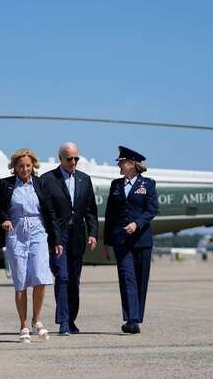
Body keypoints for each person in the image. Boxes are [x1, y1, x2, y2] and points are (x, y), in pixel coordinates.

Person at [0, 148, 63, 343]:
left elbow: (50, 213)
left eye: (28, 166)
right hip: (16, 233)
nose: (25, 170)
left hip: (38, 231)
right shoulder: (5, 184)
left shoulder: (40, 184)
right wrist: (4, 219)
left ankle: (37, 320)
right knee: (21, 280)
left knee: (41, 277)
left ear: (33, 166)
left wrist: (56, 240)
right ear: (14, 167)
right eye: (21, 166)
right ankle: (23, 324)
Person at [42, 142, 99, 335]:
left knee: (74, 279)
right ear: (60, 158)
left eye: (76, 158)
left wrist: (92, 233)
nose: (73, 162)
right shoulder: (48, 179)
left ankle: (71, 320)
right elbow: (46, 213)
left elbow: (91, 210)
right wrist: (52, 236)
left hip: (78, 237)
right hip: (57, 237)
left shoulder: (85, 179)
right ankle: (63, 322)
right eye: (69, 158)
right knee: (63, 277)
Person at [103, 146, 158, 334]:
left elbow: (152, 210)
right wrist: (106, 242)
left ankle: (136, 317)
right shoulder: (115, 185)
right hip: (121, 241)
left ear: (132, 165)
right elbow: (110, 215)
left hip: (142, 240)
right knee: (127, 279)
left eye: (122, 162)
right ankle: (131, 320)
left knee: (141, 281)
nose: (119, 164)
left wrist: (137, 223)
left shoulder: (148, 184)